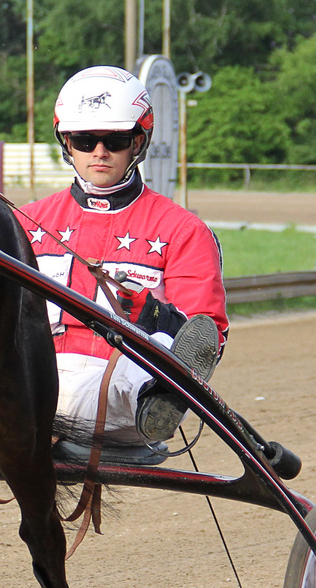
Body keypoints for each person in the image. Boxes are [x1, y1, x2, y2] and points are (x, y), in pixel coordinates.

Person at [19, 65, 227, 457]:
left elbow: (209, 333)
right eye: (84, 140)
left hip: (117, 383)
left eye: (114, 139)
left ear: (138, 141)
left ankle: (160, 397)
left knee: (150, 360)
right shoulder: (24, 222)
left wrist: (154, 317)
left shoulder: (183, 229)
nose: (99, 152)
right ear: (66, 142)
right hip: (33, 375)